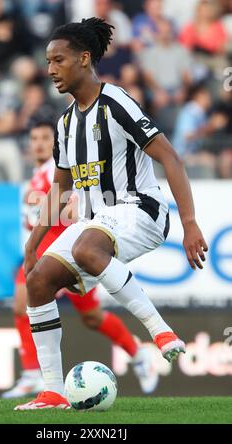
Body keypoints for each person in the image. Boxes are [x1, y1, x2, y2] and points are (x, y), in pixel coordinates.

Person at [15, 18, 208, 411]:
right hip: (98, 223)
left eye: (59, 60)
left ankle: (160, 332)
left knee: (87, 247)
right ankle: (53, 391)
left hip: (142, 210)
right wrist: (33, 246)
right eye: (48, 61)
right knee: (36, 283)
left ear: (84, 59)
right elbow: (59, 188)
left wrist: (189, 224)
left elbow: (170, 157)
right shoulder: (66, 123)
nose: (50, 69)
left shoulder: (116, 102)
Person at [2, 121, 159, 399]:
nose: (38, 143)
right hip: (45, 253)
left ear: (55, 142)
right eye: (34, 138)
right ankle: (31, 375)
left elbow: (72, 204)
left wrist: (65, 213)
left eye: (44, 138)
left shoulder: (58, 171)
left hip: (69, 252)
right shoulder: (35, 177)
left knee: (90, 317)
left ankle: (138, 355)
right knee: (25, 304)